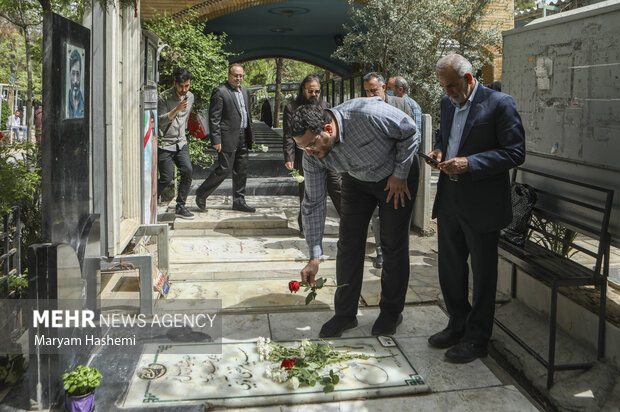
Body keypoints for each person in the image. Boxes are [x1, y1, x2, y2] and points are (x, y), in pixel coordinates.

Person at [425, 53, 525, 363]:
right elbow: (446, 134)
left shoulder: (499, 103)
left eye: (451, 86)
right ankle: (457, 324)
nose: (447, 93)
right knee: (450, 269)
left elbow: (515, 152)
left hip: (483, 204)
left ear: (469, 79)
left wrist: (471, 163)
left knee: (483, 275)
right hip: (450, 199)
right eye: (442, 86)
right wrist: (439, 148)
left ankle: (478, 338)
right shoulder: (446, 103)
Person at [291, 97, 419, 338]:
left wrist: (400, 174)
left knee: (392, 244)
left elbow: (410, 132)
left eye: (311, 145)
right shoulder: (311, 155)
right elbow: (314, 202)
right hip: (357, 180)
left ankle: (391, 312)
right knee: (348, 244)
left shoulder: (367, 113)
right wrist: (314, 255)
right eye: (302, 147)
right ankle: (345, 314)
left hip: (396, 177)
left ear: (328, 129)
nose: (309, 152)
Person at [362, 72, 417, 269]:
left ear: (384, 88)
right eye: (367, 91)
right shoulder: (365, 107)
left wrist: (401, 172)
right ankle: (380, 251)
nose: (370, 94)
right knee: (377, 214)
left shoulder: (401, 104)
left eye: (374, 90)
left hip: (400, 170)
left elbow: (412, 135)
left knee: (399, 212)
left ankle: (398, 252)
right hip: (376, 170)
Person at [283, 75, 341, 237]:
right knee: (307, 191)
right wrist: (289, 157)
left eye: (317, 91)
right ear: (303, 90)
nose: (314, 94)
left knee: (336, 185)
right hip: (305, 156)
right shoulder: (292, 107)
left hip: (327, 156)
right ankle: (305, 227)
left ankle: (349, 220)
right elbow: (288, 135)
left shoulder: (325, 106)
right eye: (310, 91)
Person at [195, 63, 256, 213]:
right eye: (235, 75)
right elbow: (214, 118)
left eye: (241, 75)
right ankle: (202, 193)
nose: (238, 78)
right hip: (227, 137)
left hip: (243, 136)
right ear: (229, 75)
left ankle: (239, 201)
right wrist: (216, 140)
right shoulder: (220, 91)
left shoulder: (245, 92)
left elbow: (247, 114)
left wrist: (251, 135)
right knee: (224, 168)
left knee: (241, 170)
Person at [158, 67, 195, 219]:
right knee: (166, 178)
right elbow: (159, 121)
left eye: (187, 86)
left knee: (187, 171)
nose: (184, 89)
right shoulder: (163, 97)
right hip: (164, 143)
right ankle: (149, 201)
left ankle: (181, 206)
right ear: (175, 83)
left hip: (181, 142)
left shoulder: (190, 96)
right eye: (181, 86)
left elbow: (185, 120)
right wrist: (176, 109)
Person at [67, 49, 84, 118]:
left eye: (78, 74)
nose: (75, 80)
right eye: (73, 74)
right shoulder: (66, 100)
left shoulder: (82, 101)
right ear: (69, 74)